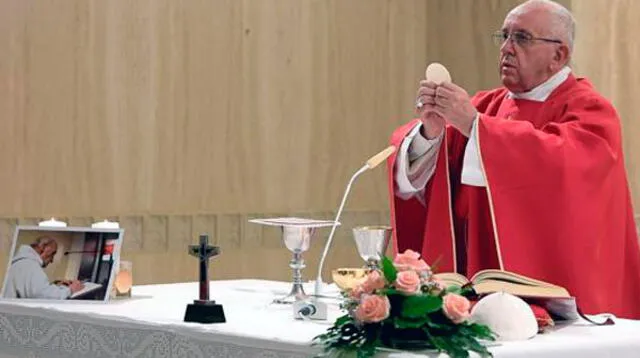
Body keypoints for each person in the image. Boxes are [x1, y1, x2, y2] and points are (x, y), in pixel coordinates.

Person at [387, 0, 640, 319]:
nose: (506, 48)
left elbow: (565, 166)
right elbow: (428, 174)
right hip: (479, 289)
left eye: (521, 38)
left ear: (558, 55)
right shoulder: (486, 105)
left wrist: (476, 128)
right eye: (504, 36)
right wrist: (431, 132)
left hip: (563, 293)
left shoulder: (590, 111)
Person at [3, 236, 84, 299]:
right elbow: (44, 296)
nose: (52, 260)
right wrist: (71, 290)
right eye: (53, 253)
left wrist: (55, 285)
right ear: (42, 247)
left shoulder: (22, 263)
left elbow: (34, 290)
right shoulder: (29, 265)